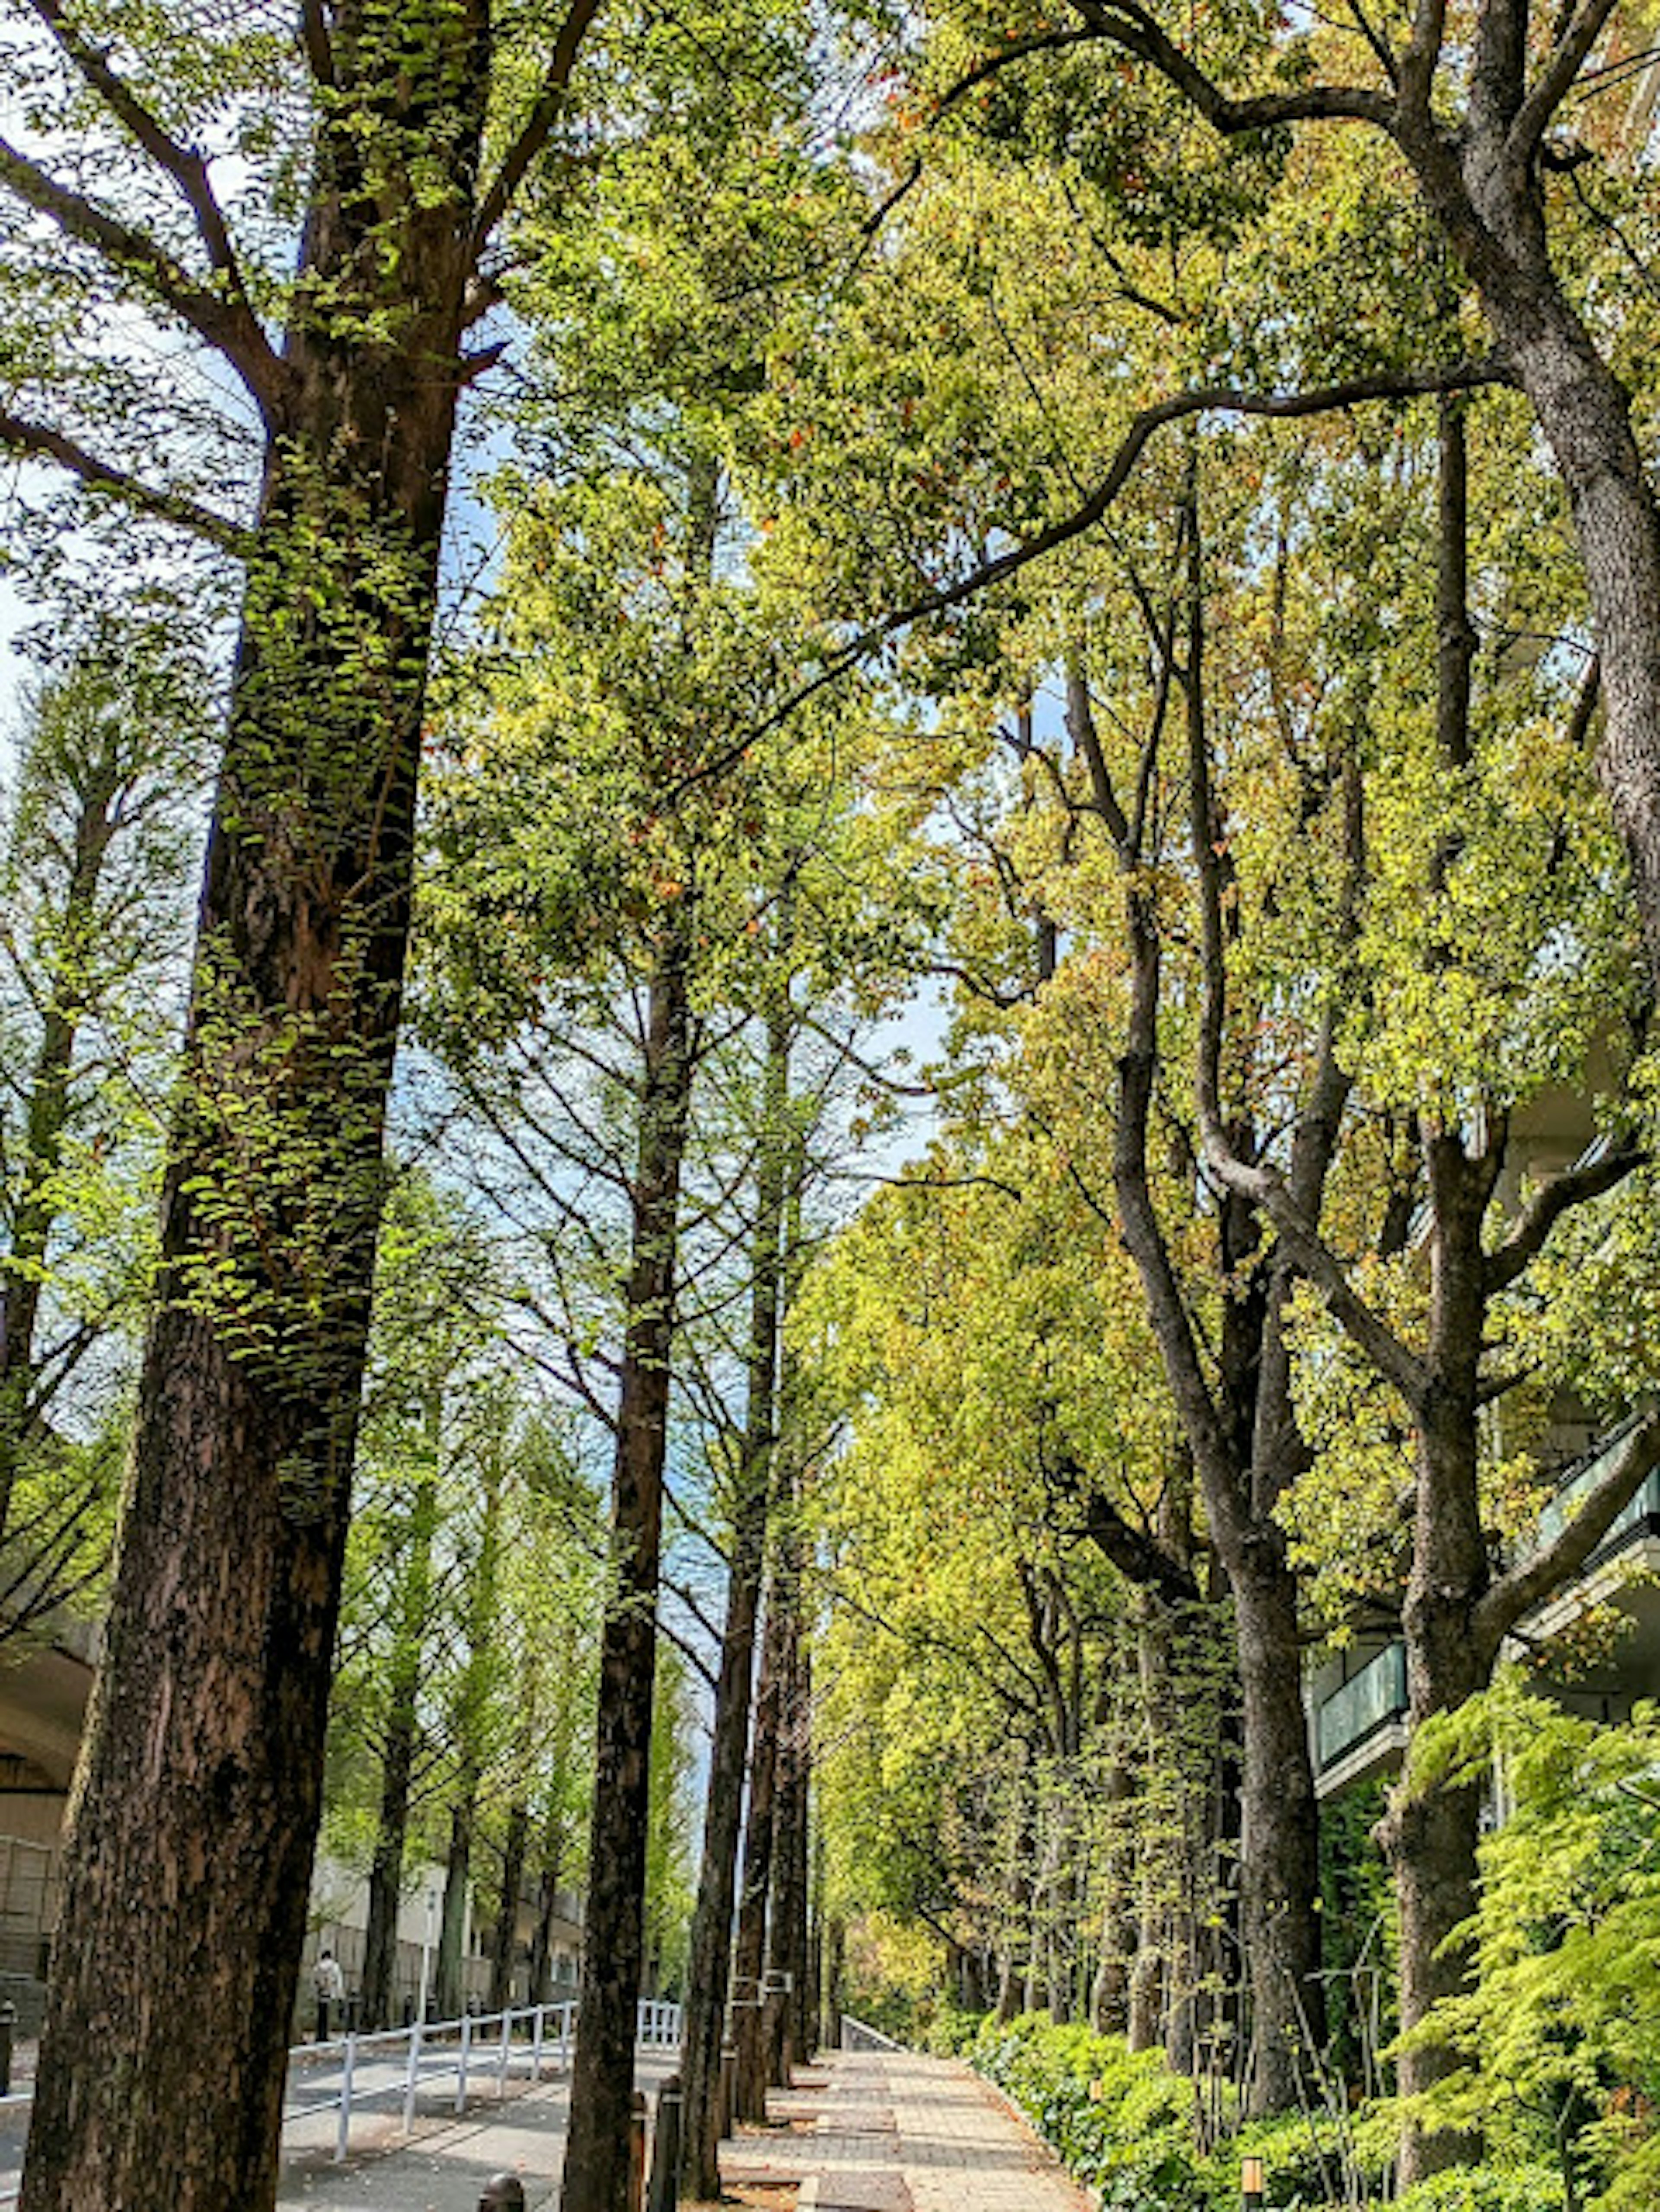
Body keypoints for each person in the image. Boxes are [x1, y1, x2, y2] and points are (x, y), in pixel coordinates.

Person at [313, 1947, 345, 2043]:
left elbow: (315, 1981)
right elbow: (339, 1982)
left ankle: (320, 2035)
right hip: (331, 1994)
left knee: (321, 2015)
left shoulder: (317, 1967)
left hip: (321, 1994)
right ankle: (326, 2034)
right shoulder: (335, 1967)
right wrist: (340, 1995)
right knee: (329, 2015)